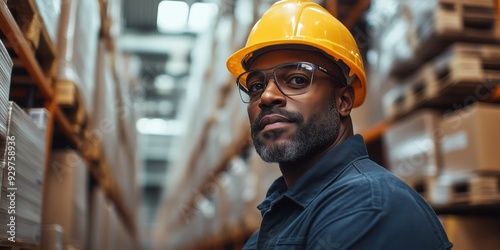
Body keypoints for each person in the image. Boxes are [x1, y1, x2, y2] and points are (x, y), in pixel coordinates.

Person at [226, 0, 452, 249]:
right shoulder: (275, 224)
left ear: (343, 101)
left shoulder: (369, 208)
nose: (267, 97)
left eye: (297, 79)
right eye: (256, 85)